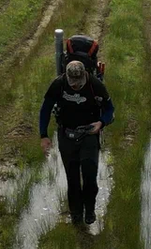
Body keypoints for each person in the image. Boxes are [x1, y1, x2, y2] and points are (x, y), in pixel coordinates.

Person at [39, 60, 115, 225]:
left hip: (89, 135)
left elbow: (110, 110)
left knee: (89, 176)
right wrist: (43, 135)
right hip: (66, 135)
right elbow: (45, 109)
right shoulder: (58, 84)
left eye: (78, 84)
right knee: (72, 179)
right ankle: (76, 214)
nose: (75, 87)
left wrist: (101, 122)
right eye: (72, 84)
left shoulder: (95, 85)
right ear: (67, 77)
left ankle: (89, 210)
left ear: (84, 76)